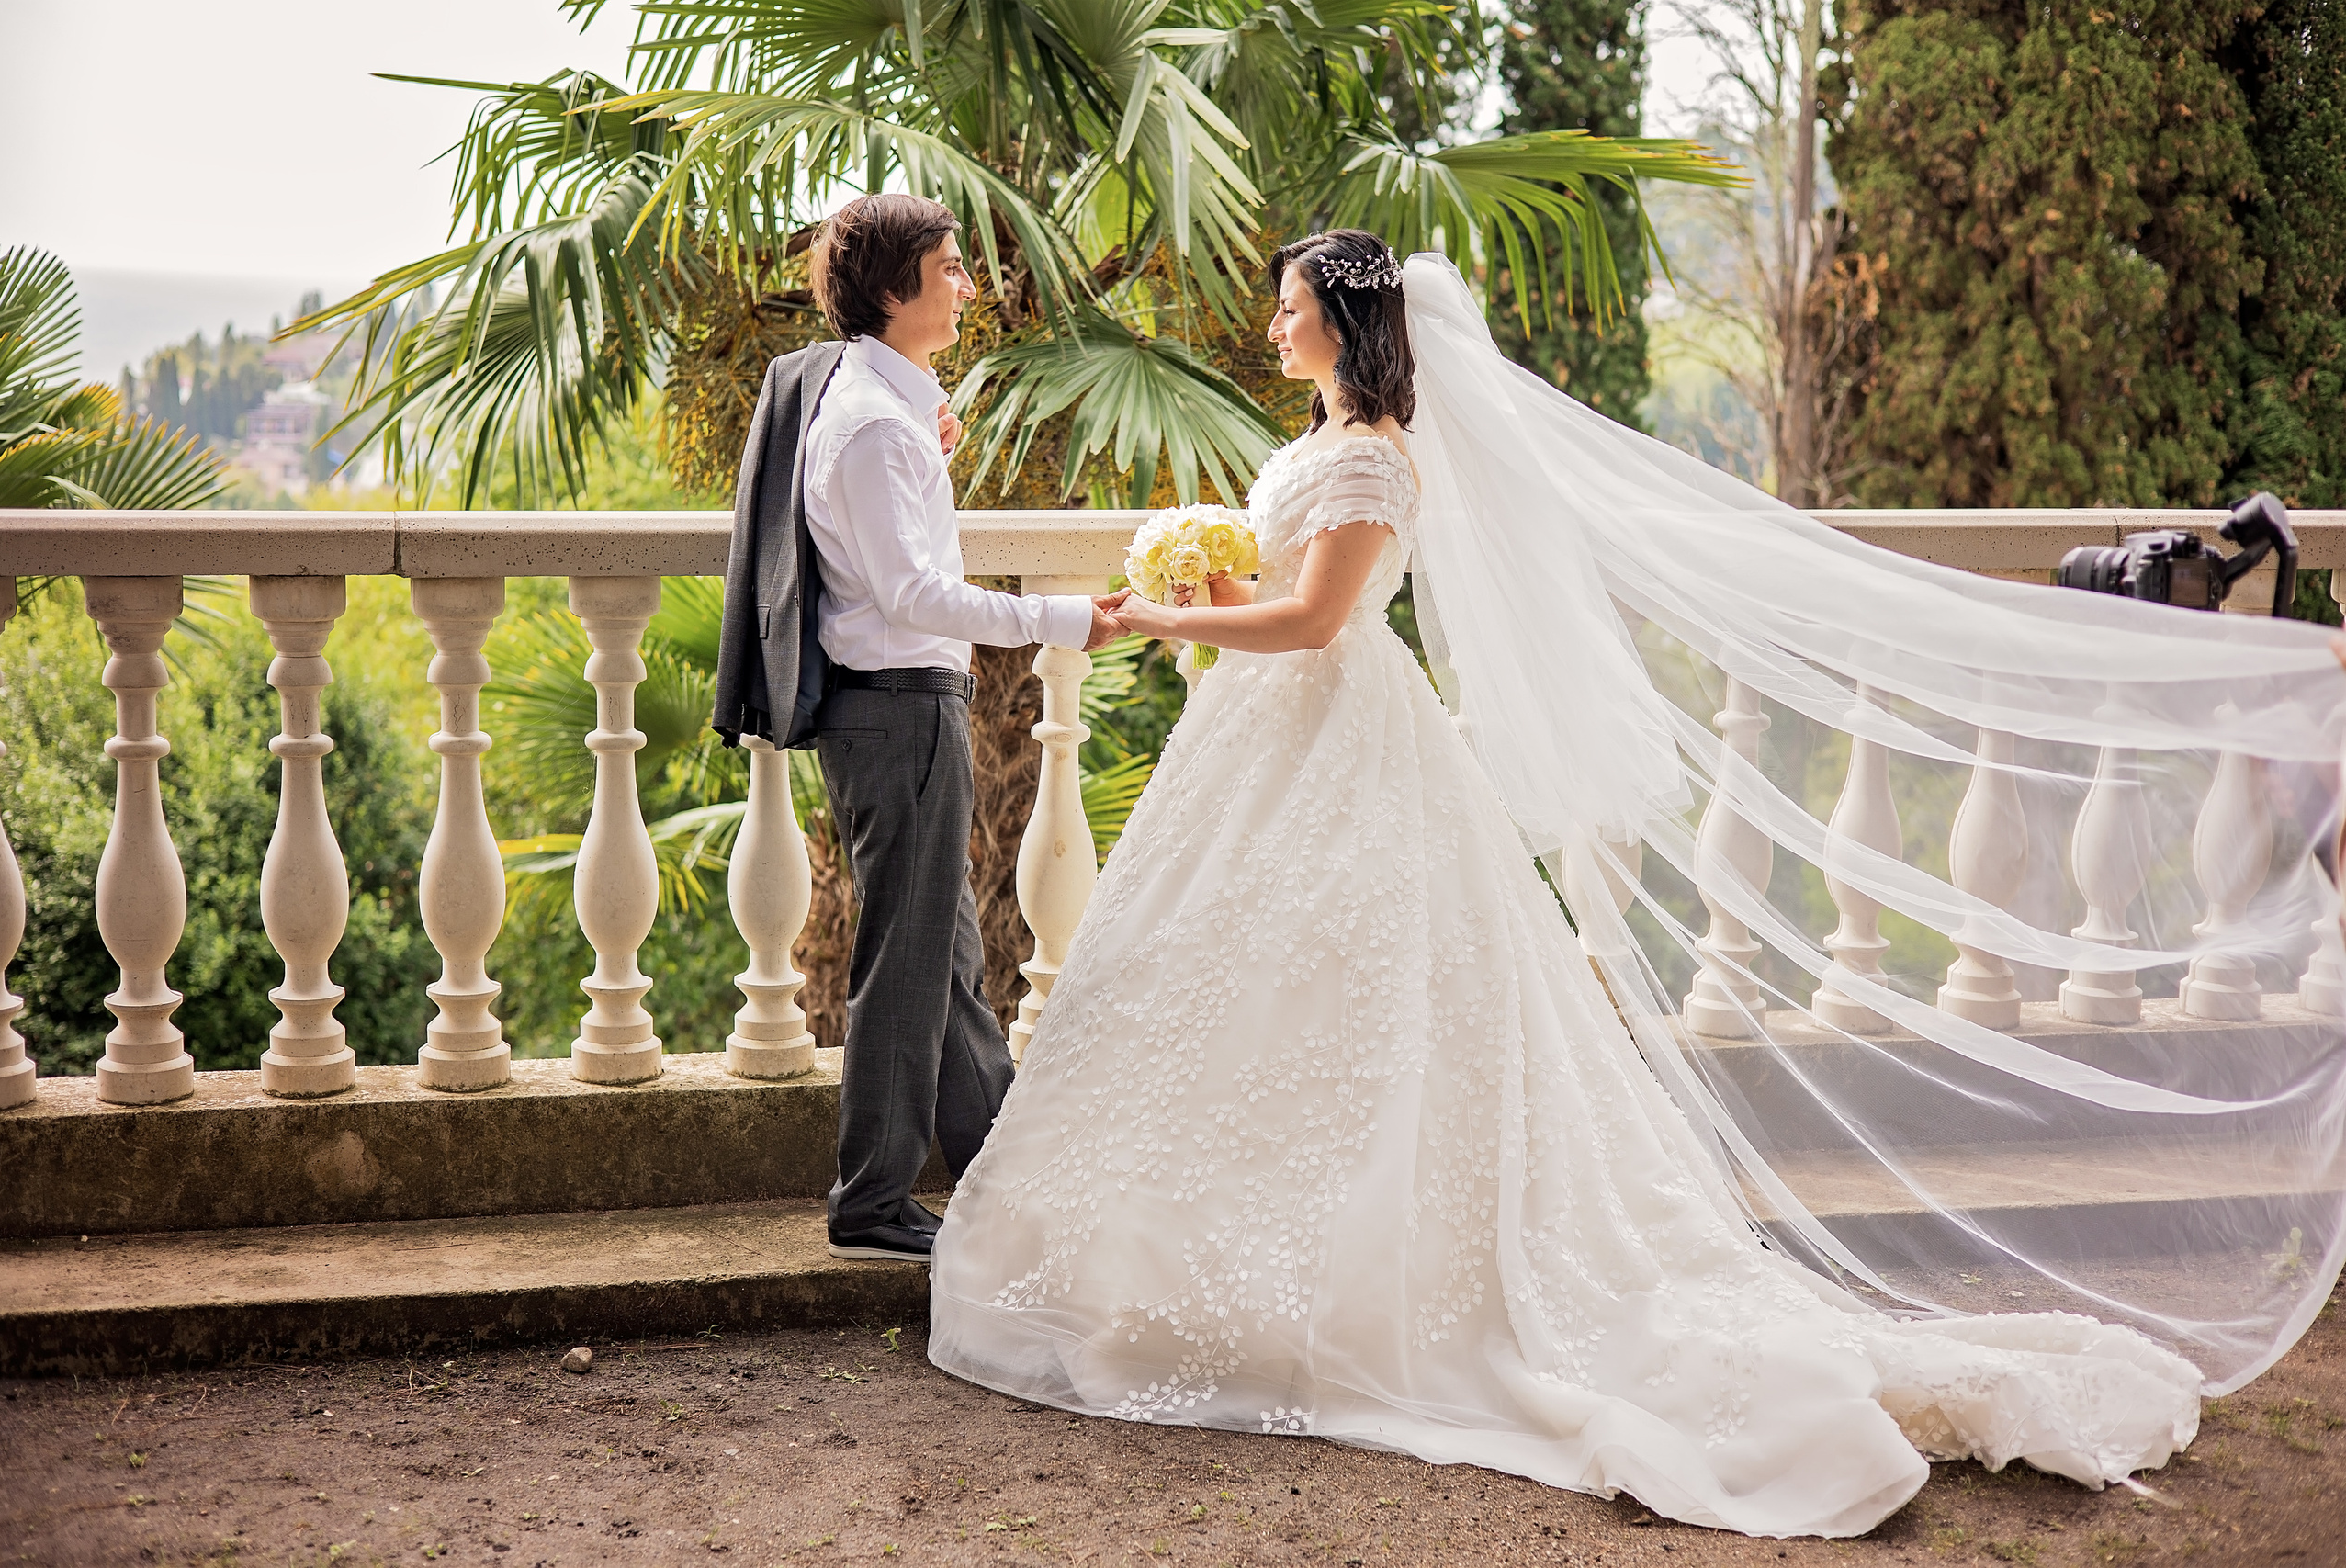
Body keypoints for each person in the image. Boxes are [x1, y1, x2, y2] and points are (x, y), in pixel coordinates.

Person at [926, 231, 2346, 1536]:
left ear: (1349, 323)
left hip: (1338, 739)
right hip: (1258, 743)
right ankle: (1201, 1273)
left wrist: (1172, 605)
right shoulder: (1321, 440)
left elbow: (1316, 620)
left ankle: (1353, 1289)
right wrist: (1209, 593)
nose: (1275, 321)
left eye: (1294, 305)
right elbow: (1277, 602)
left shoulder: (1371, 457)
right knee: (1240, 1002)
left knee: (1355, 996)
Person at [716, 193, 1128, 1266]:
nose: (967, 285)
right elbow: (915, 595)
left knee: (941, 958)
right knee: (905, 966)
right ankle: (870, 1200)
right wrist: (1068, 618)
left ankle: (994, 1171)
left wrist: (925, 441)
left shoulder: (870, 402)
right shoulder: (869, 427)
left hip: (895, 710)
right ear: (896, 290)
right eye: (948, 269)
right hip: (899, 707)